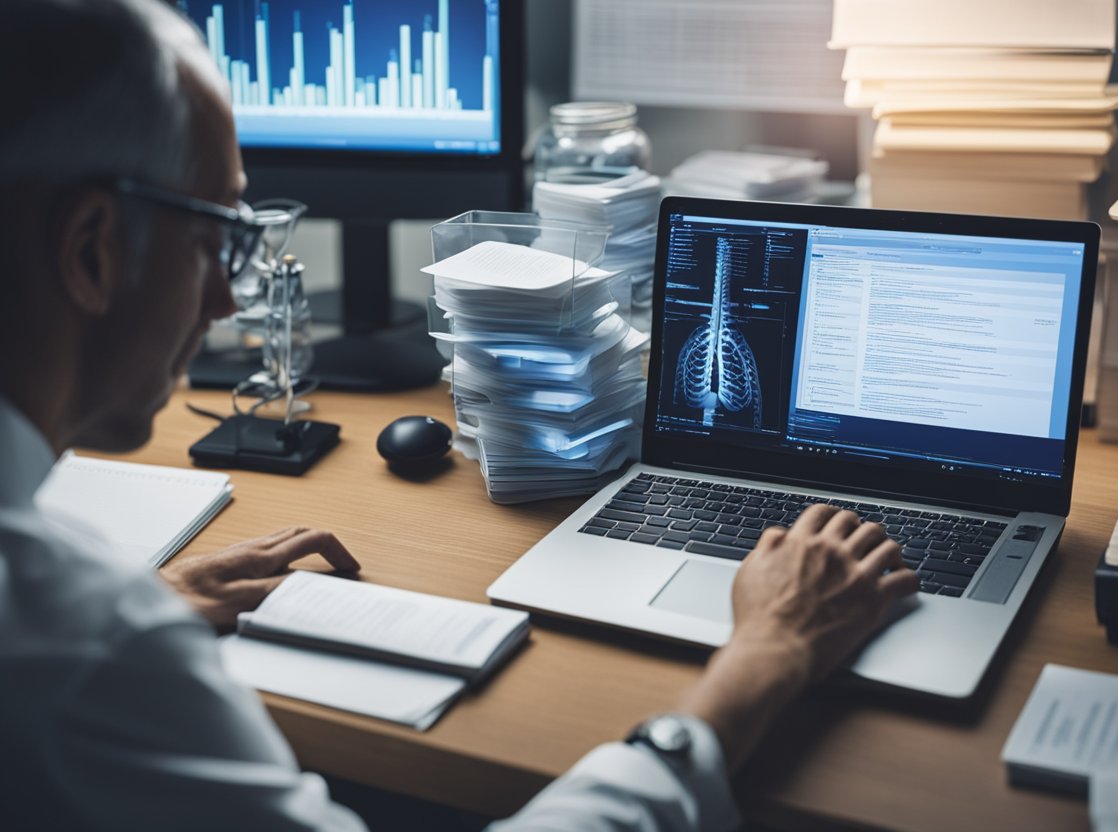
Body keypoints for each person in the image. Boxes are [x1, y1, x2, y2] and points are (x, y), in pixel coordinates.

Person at [0, 1, 918, 829]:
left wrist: (142, 605)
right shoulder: (86, 643)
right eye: (219, 240)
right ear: (90, 252)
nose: (228, 306)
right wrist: (763, 660)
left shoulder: (74, 622)